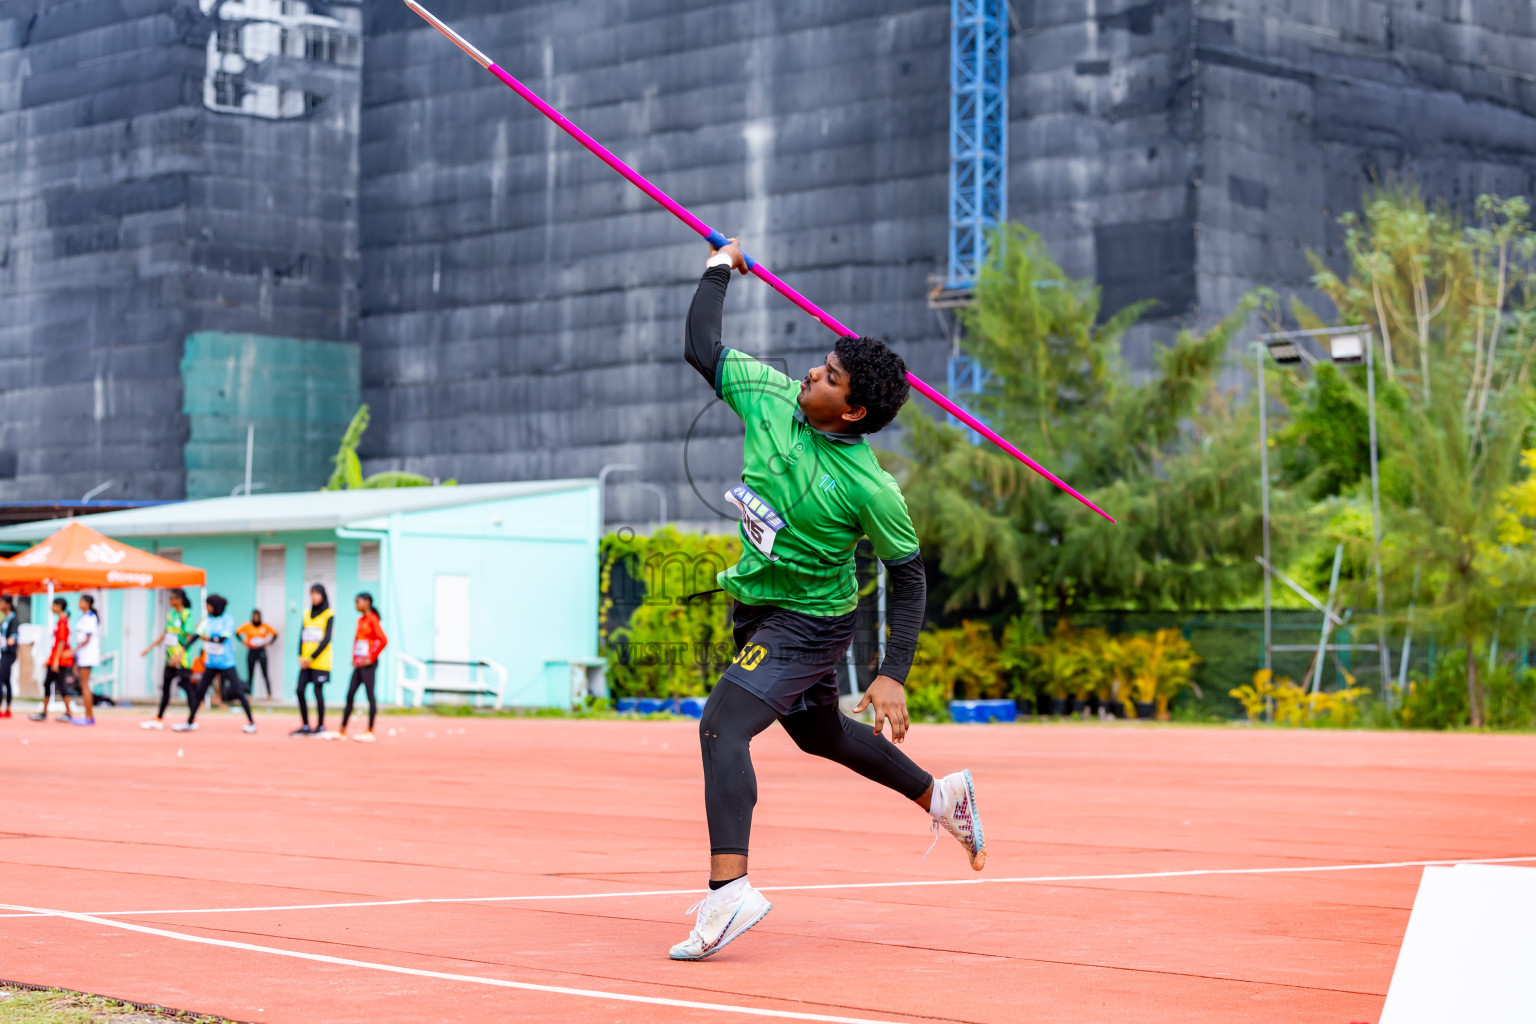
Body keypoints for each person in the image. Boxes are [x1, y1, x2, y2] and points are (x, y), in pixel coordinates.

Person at [667, 239, 985, 962]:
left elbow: (909, 576)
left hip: (810, 621)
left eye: (831, 375)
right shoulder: (773, 395)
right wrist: (722, 265)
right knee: (821, 736)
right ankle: (944, 798)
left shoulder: (871, 487)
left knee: (722, 725)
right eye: (822, 363)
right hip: (757, 603)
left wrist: (893, 670)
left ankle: (729, 893)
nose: (813, 370)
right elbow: (700, 344)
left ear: (854, 410)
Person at [176, 593, 257, 734]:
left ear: (215, 606)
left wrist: (207, 638)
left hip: (226, 663)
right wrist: (182, 649)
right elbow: (196, 636)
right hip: (211, 663)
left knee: (238, 691)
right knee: (200, 692)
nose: (207, 608)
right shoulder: (208, 620)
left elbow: (221, 639)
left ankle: (251, 723)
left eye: (209, 605)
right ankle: (189, 722)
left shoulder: (227, 619)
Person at [140, 589, 199, 730]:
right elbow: (166, 633)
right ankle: (159, 718)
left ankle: (192, 720)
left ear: (179, 599)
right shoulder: (171, 614)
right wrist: (150, 647)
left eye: (172, 598)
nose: (169, 600)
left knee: (187, 688)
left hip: (182, 659)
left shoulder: (187, 614)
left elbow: (190, 637)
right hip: (169, 659)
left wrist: (179, 655)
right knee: (165, 689)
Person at [334, 591, 387, 742]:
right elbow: (357, 640)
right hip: (358, 664)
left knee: (370, 696)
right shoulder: (360, 620)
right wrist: (354, 657)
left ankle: (370, 731)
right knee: (350, 694)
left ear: (367, 602)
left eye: (358, 601)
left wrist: (371, 657)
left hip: (368, 665)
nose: (356, 605)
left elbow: (383, 640)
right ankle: (342, 730)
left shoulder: (373, 619)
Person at [292, 584, 333, 736]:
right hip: (305, 663)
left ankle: (321, 725)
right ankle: (305, 725)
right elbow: (301, 637)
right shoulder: (306, 613)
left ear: (323, 595)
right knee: (300, 690)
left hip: (320, 662)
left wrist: (311, 658)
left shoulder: (329, 614)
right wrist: (300, 657)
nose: (314, 597)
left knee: (318, 692)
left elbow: (326, 639)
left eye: (317, 594)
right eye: (312, 594)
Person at [31, 597, 75, 723]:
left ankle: (68, 712)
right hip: (56, 658)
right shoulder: (62, 621)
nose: (51, 607)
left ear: (59, 606)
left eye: (53, 605)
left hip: (60, 660)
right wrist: (50, 659)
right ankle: (44, 712)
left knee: (61, 685)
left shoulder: (62, 622)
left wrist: (55, 660)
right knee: (47, 683)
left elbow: (61, 642)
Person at [70, 594, 100, 725]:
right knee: (83, 685)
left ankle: (88, 716)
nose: (78, 603)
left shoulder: (90, 618)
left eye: (81, 601)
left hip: (88, 655)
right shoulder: (82, 618)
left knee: (85, 685)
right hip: (82, 656)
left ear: (87, 603)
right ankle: (88, 715)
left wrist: (73, 650)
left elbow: (87, 640)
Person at [236, 609, 278, 699]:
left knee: (265, 673)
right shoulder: (248, 626)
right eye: (254, 616)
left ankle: (269, 695)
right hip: (252, 651)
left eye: (257, 616)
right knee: (250, 674)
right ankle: (249, 694)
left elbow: (275, 634)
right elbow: (237, 632)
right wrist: (243, 642)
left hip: (261, 651)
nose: (255, 618)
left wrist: (268, 643)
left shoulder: (264, 626)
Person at [0, 596, 17, 719]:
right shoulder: (5, 619)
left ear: (8, 604)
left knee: (0, 678)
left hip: (9, 653)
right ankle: (8, 708)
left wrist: (4, 641)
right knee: (6, 680)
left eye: (1, 602)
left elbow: (12, 640)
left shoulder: (13, 619)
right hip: (4, 652)